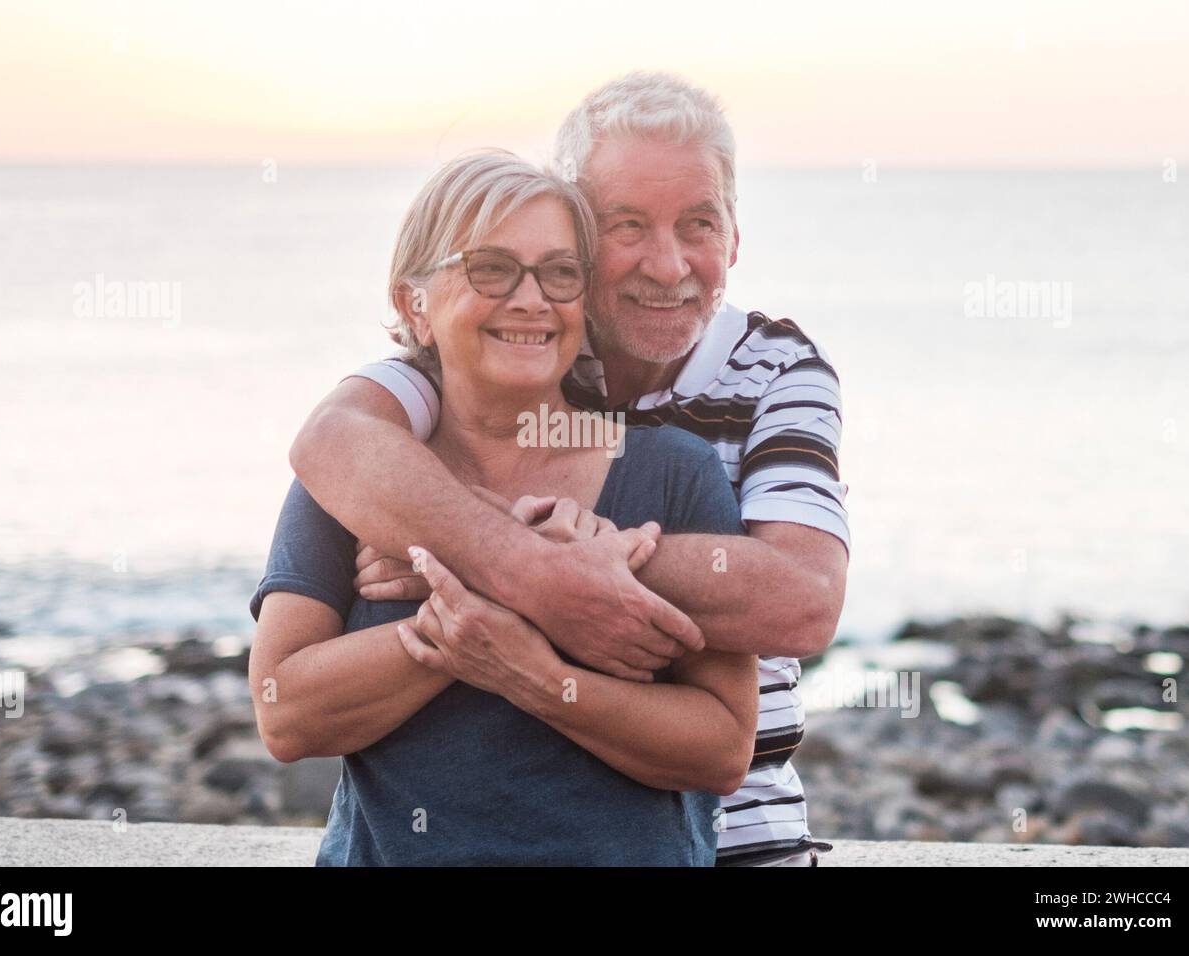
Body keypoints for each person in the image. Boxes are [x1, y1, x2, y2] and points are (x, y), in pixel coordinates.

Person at [289, 72, 851, 867]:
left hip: (747, 831)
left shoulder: (774, 370)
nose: (668, 264)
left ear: (733, 237)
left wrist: (503, 555)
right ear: (582, 243)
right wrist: (517, 564)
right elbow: (332, 443)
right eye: (629, 225)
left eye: (699, 224)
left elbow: (804, 602)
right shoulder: (515, 344)